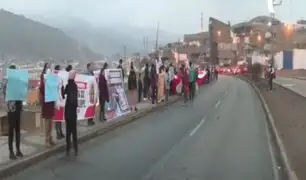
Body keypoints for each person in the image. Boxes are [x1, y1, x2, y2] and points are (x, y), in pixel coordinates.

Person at [4, 65, 23, 160]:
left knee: (18, 130)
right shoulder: (7, 82)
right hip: (11, 110)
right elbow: (5, 94)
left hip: (18, 108)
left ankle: (18, 150)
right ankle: (11, 151)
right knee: (11, 131)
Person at [39, 63, 56, 148]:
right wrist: (45, 83)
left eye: (50, 67)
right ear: (45, 68)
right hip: (46, 100)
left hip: (51, 100)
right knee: (47, 120)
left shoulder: (52, 76)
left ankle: (50, 137)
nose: (49, 68)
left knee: (51, 120)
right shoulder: (43, 76)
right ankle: (46, 139)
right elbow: (41, 89)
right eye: (48, 67)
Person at [63, 70, 78, 156]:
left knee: (68, 132)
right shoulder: (75, 86)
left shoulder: (67, 86)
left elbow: (62, 94)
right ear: (74, 77)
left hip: (67, 113)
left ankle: (68, 149)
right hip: (73, 113)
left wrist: (61, 88)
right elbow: (75, 102)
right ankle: (75, 149)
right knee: (74, 132)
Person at [54, 65, 65, 140]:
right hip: (56, 101)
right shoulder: (54, 79)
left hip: (60, 100)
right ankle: (58, 133)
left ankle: (60, 132)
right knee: (57, 118)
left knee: (60, 118)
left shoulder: (60, 79)